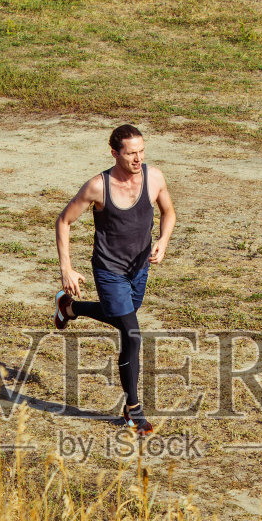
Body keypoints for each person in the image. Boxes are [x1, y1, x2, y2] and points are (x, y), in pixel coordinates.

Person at [52, 123, 177, 436]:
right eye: (131, 153)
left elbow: (169, 212)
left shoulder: (155, 178)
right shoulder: (99, 186)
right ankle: (133, 409)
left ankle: (70, 309)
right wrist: (66, 268)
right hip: (109, 270)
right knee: (131, 333)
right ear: (114, 153)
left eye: (141, 151)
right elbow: (64, 221)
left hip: (140, 268)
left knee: (121, 315)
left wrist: (163, 239)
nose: (138, 159)